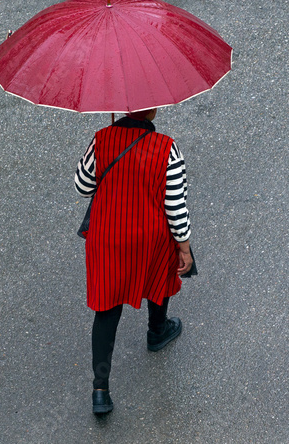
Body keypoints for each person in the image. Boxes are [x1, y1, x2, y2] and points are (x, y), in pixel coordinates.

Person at [74, 108, 193, 414]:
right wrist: (185, 248)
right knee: (160, 275)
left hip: (106, 239)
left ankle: (100, 391)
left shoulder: (100, 140)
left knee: (106, 310)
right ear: (152, 109)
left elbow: (83, 186)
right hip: (148, 238)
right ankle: (157, 330)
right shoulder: (167, 147)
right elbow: (175, 205)